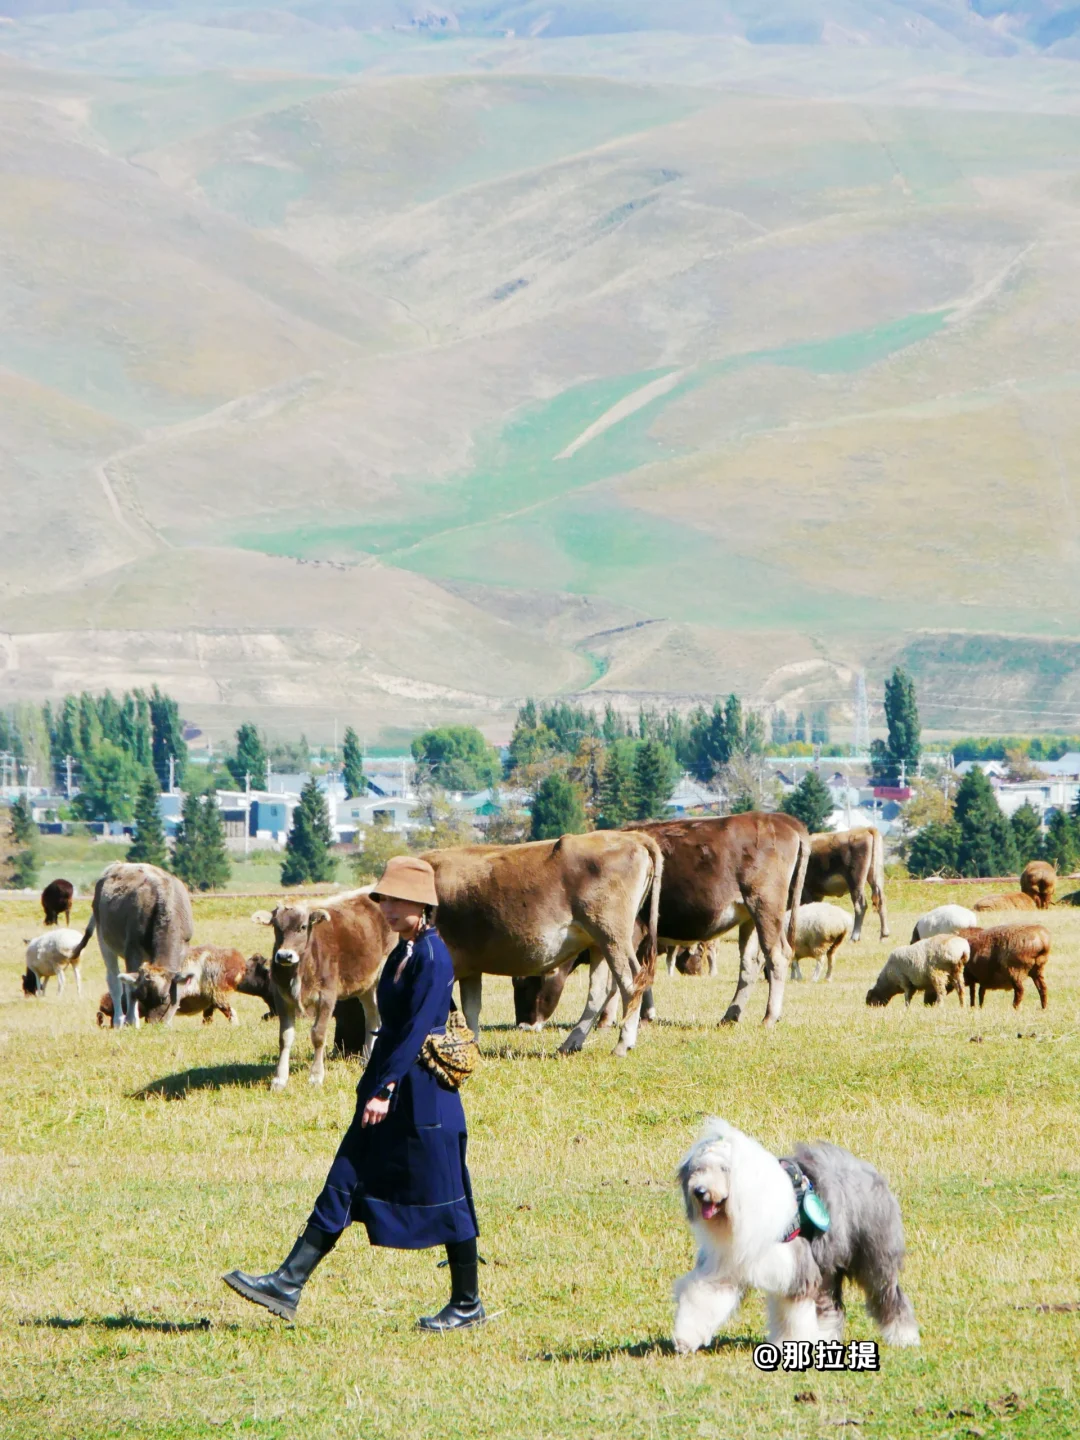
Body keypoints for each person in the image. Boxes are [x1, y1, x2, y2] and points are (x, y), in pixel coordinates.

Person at [222, 855, 483, 1330]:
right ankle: (287, 1282)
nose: (386, 908)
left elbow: (416, 1031)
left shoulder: (432, 955)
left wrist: (385, 1087)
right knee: (345, 1177)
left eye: (397, 901)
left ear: (422, 904)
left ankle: (467, 1303)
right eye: (384, 899)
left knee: (449, 1196)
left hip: (424, 1097)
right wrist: (374, 1087)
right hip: (388, 1090)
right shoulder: (403, 952)